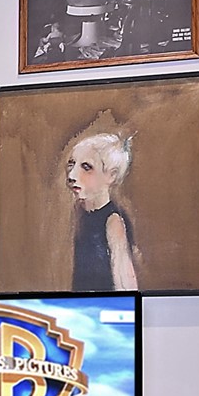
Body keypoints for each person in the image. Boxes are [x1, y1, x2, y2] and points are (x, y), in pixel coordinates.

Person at [62, 116, 140, 292]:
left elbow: (124, 283)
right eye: (71, 164)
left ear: (111, 175)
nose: (72, 175)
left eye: (86, 167)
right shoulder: (81, 213)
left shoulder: (113, 221)